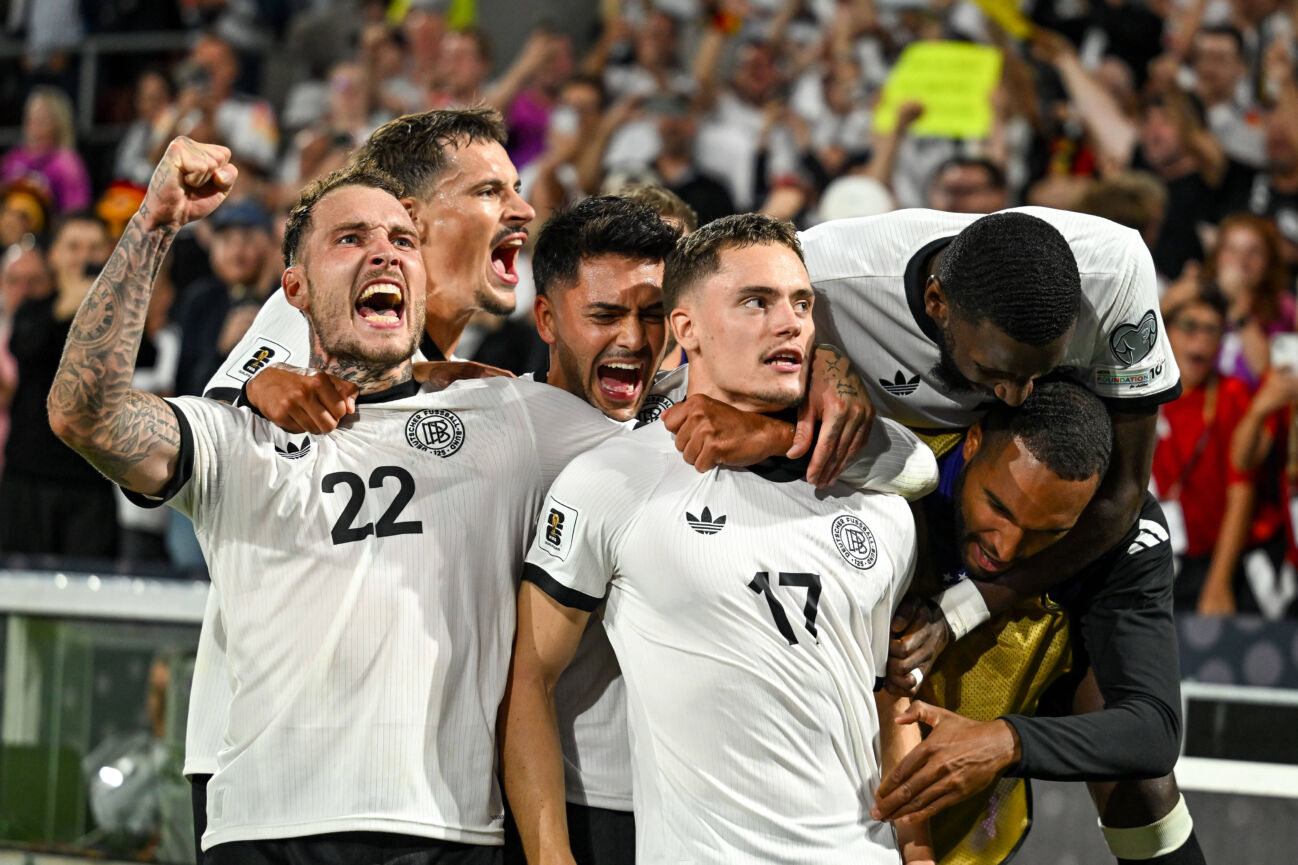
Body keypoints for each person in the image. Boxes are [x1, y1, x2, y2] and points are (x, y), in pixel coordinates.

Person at [47, 141, 635, 863]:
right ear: (292, 289)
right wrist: (153, 222)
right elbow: (83, 413)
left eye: (404, 240)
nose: (384, 254)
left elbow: (662, 449)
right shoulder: (237, 436)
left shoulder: (511, 415)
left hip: (442, 833)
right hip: (260, 829)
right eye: (351, 238)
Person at [501, 214, 937, 865]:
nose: (789, 321)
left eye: (801, 303)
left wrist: (919, 851)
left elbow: (887, 692)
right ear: (685, 329)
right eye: (755, 302)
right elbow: (530, 677)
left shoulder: (880, 501)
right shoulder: (613, 481)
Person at [868, 382, 1199, 865]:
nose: (1004, 547)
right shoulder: (906, 469)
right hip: (858, 741)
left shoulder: (1120, 534)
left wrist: (1005, 740)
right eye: (998, 508)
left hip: (1007, 710)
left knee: (1141, 783)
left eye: (1048, 532)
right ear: (974, 443)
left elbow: (1154, 730)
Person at [0, 212, 115, 558]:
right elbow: (27, 348)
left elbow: (143, 358)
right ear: (53, 256)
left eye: (94, 248)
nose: (83, 257)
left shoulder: (120, 318)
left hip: (92, 481)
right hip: (27, 479)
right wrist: (72, 305)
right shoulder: (32, 310)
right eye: (73, 246)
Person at [1154, 289, 1260, 614]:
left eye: (1211, 329)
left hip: (1209, 560)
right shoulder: (1141, 388)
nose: (1200, 340)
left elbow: (1241, 493)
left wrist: (1219, 581)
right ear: (1166, 330)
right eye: (1189, 326)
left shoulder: (1232, 396)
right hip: (1148, 556)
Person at [1, 86, 91, 213]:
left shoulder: (67, 163)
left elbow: (76, 210)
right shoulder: (12, 158)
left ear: (59, 123)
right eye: (32, 116)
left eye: (43, 118)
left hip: (51, 229)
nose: (35, 123)